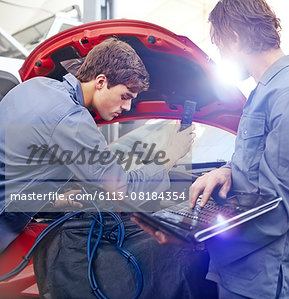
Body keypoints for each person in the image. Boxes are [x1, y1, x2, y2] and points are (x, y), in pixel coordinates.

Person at [133, 1, 289, 298]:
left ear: (234, 36)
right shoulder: (264, 91)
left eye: (219, 45)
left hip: (268, 277)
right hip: (244, 269)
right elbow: (264, 164)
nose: (221, 54)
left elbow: (280, 205)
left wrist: (198, 238)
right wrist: (228, 170)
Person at [0, 38, 194, 253]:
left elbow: (16, 164)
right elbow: (123, 192)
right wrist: (171, 156)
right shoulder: (71, 118)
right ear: (100, 82)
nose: (128, 107)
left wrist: (52, 197)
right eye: (125, 96)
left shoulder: (35, 86)